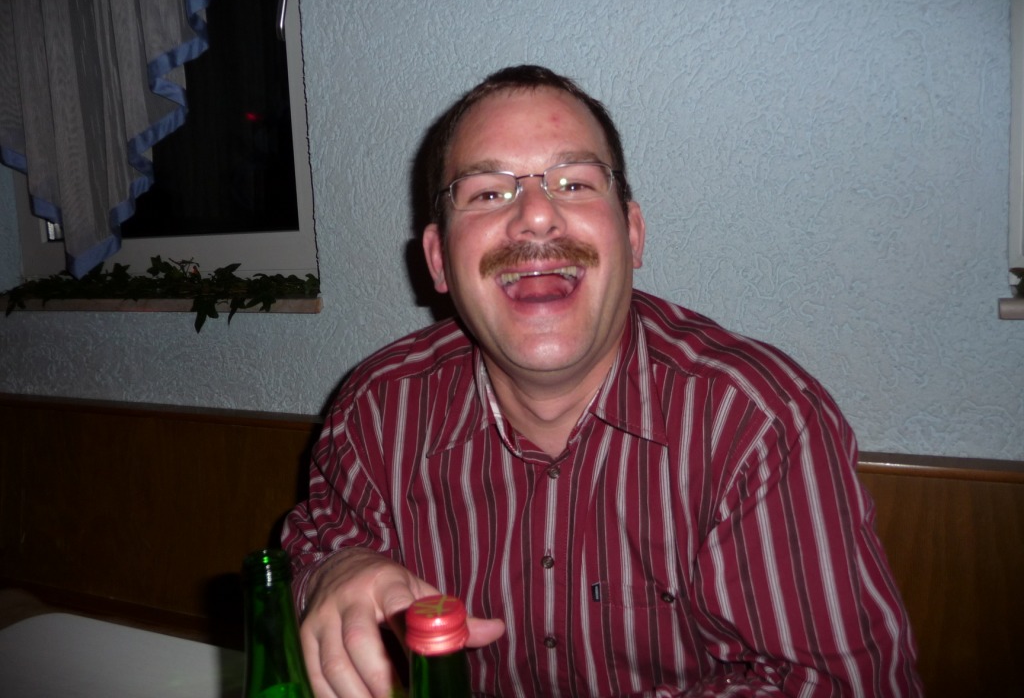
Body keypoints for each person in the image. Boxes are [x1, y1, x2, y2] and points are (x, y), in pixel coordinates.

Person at [282, 65, 921, 697]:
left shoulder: (759, 423)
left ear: (632, 235)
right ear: (438, 260)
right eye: (488, 193)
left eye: (575, 183)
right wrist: (331, 572)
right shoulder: (376, 408)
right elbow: (312, 551)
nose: (536, 217)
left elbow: (843, 687)